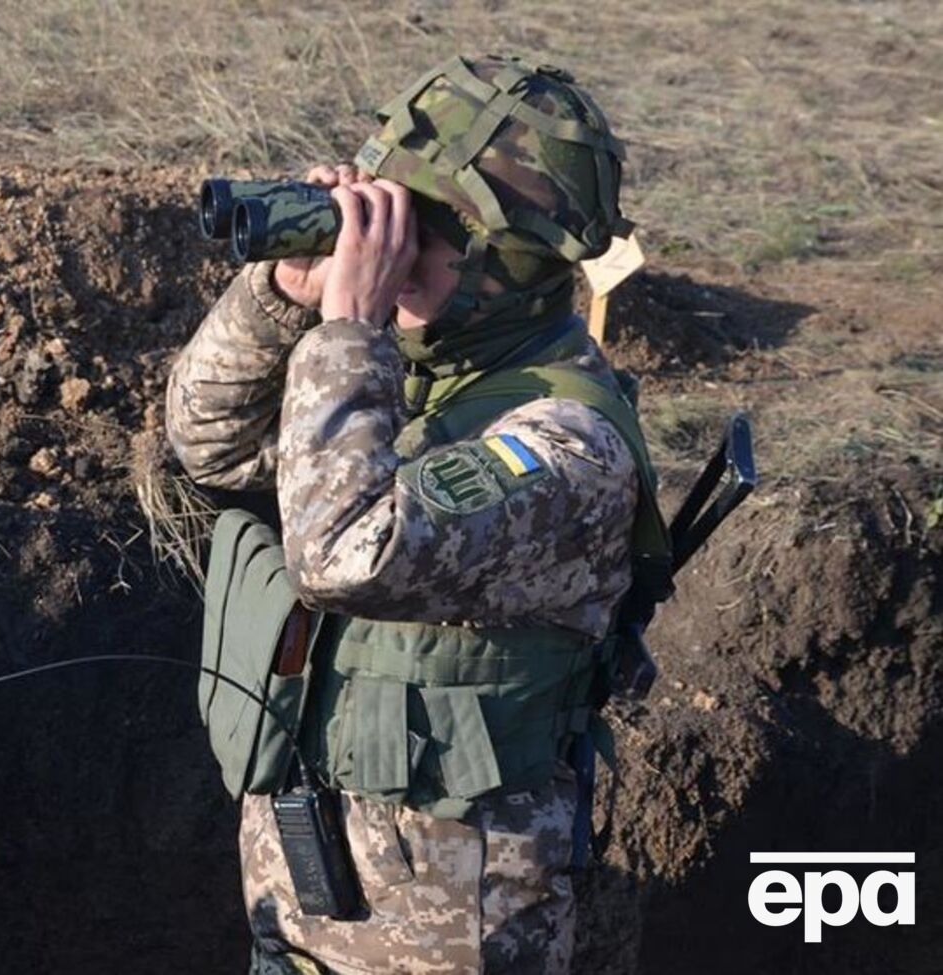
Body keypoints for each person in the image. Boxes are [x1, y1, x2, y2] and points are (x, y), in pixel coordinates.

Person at [165, 54, 664, 974]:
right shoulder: (405, 382)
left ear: (502, 261)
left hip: (445, 943)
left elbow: (345, 555)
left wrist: (349, 333)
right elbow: (209, 444)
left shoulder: (565, 446)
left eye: (417, 230)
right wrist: (284, 299)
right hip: (304, 912)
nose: (384, 247)